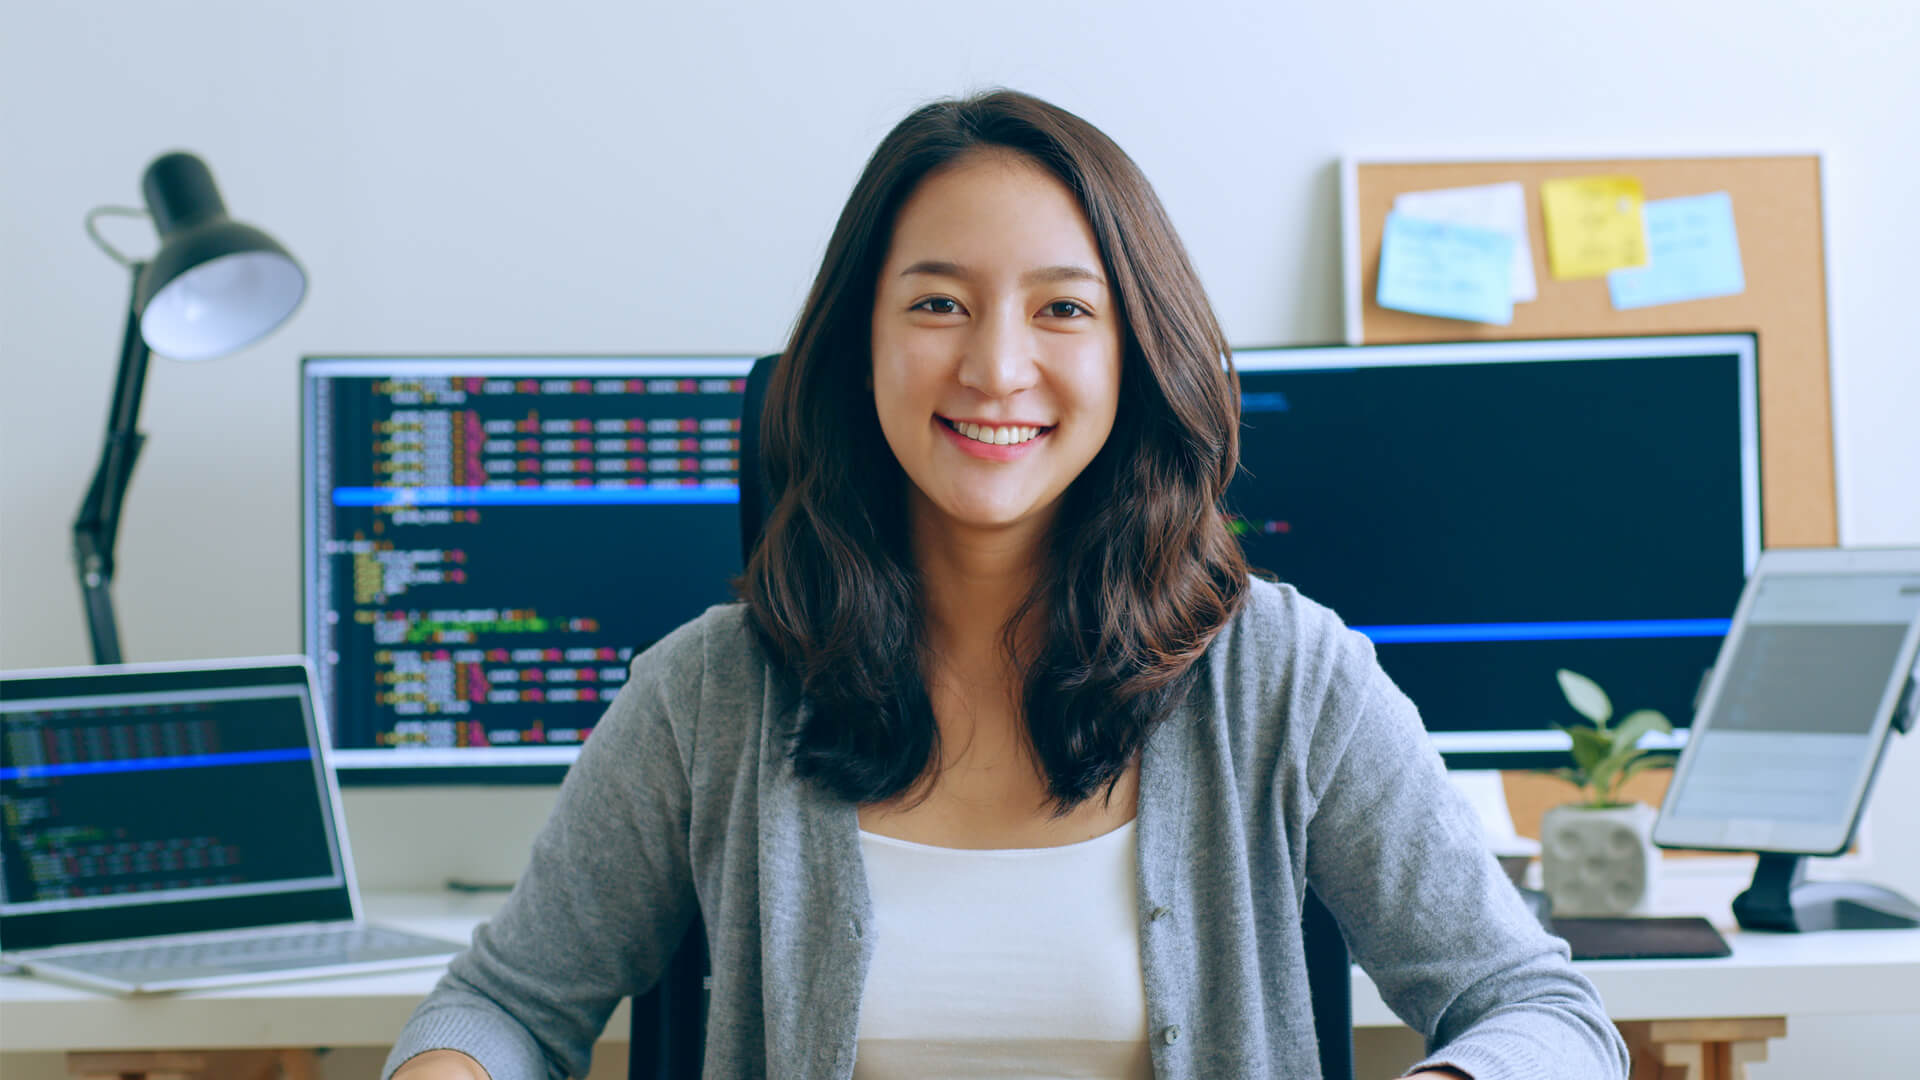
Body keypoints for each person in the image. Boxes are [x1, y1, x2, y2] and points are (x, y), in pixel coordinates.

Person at [384, 90, 1630, 1080]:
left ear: (1136, 355)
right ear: (857, 344)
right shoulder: (709, 694)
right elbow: (504, 1005)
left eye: (1061, 309)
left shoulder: (1285, 676)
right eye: (937, 302)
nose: (995, 365)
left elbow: (1540, 1012)